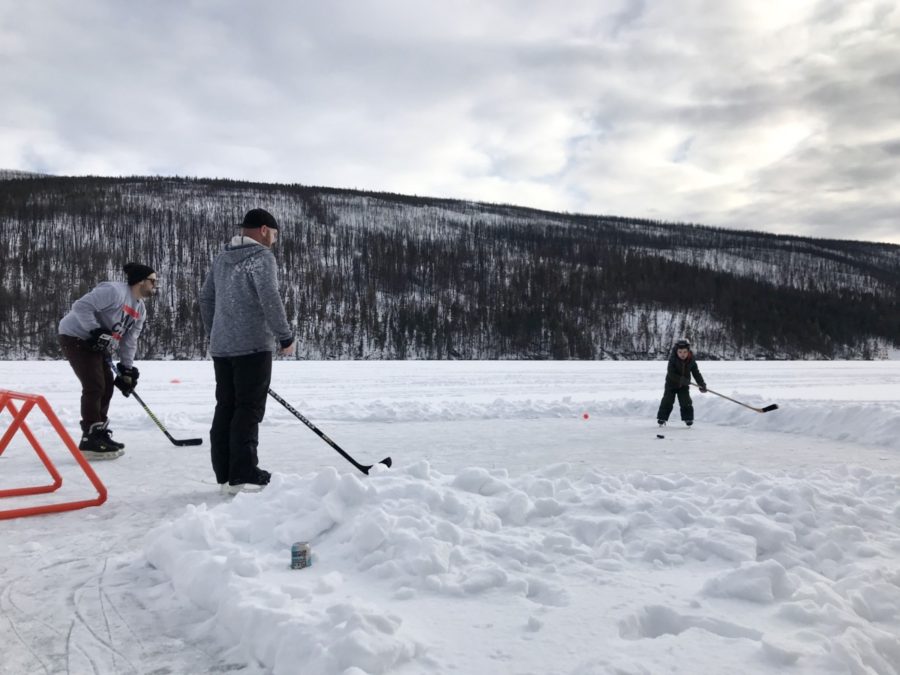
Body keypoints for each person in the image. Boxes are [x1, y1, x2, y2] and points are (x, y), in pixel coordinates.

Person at [200, 208, 295, 495]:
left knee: (226, 406)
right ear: (264, 230)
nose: (274, 241)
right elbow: (269, 295)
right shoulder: (261, 257)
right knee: (248, 408)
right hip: (252, 345)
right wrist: (285, 336)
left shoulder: (222, 257)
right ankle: (243, 473)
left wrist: (215, 333)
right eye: (274, 235)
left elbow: (206, 298)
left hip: (223, 347)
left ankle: (226, 473)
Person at [58, 263, 158, 459]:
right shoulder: (114, 292)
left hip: (97, 345)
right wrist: (95, 329)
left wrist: (127, 369)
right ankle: (90, 438)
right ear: (140, 281)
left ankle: (99, 433)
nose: (155, 285)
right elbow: (81, 306)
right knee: (95, 385)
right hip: (75, 336)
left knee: (107, 386)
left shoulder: (140, 309)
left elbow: (129, 340)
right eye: (153, 281)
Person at [656, 338, 707, 427]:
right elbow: (671, 373)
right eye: (680, 352)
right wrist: (681, 380)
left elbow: (696, 373)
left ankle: (688, 418)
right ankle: (662, 418)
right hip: (671, 385)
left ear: (688, 351)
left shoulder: (691, 360)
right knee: (667, 400)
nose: (682, 354)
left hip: (684, 386)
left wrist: (701, 384)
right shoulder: (673, 359)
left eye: (684, 352)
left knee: (686, 401)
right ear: (676, 351)